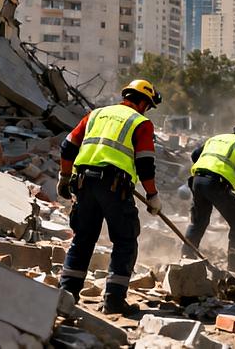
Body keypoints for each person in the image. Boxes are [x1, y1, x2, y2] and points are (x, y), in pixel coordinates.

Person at [57, 79, 163, 315]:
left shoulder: (96, 115)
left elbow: (67, 147)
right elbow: (145, 164)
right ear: (144, 102)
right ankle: (114, 301)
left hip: (84, 183)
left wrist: (65, 177)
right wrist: (152, 195)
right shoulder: (141, 122)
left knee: (83, 238)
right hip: (115, 185)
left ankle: (66, 295)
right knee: (125, 240)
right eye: (148, 105)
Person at [184, 121, 235, 272]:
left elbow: (195, 155)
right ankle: (234, 269)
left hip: (197, 181)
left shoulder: (215, 139)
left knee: (198, 223)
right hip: (216, 184)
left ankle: (186, 261)